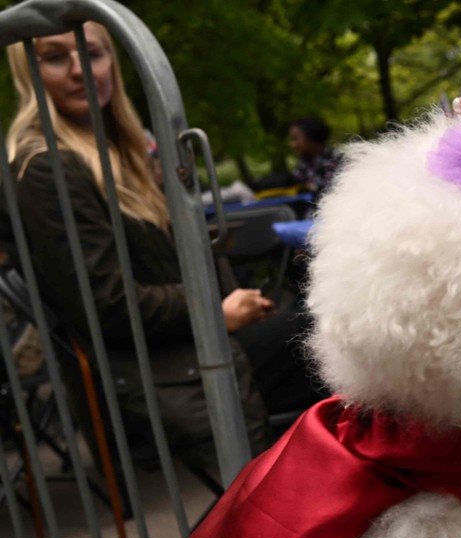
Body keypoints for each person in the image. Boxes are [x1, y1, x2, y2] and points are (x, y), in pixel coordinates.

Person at [6, 25, 323, 471]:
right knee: (338, 332)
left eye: (92, 53)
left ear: (111, 61)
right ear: (28, 73)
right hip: (164, 373)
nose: (80, 70)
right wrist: (216, 311)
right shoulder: (47, 167)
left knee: (339, 318)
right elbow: (109, 305)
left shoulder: (119, 151)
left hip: (195, 347)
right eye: (56, 57)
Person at [287, 115, 341, 197]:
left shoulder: (335, 162)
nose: (292, 145)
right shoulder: (303, 163)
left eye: (295, 138)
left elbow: (328, 192)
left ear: (311, 138)